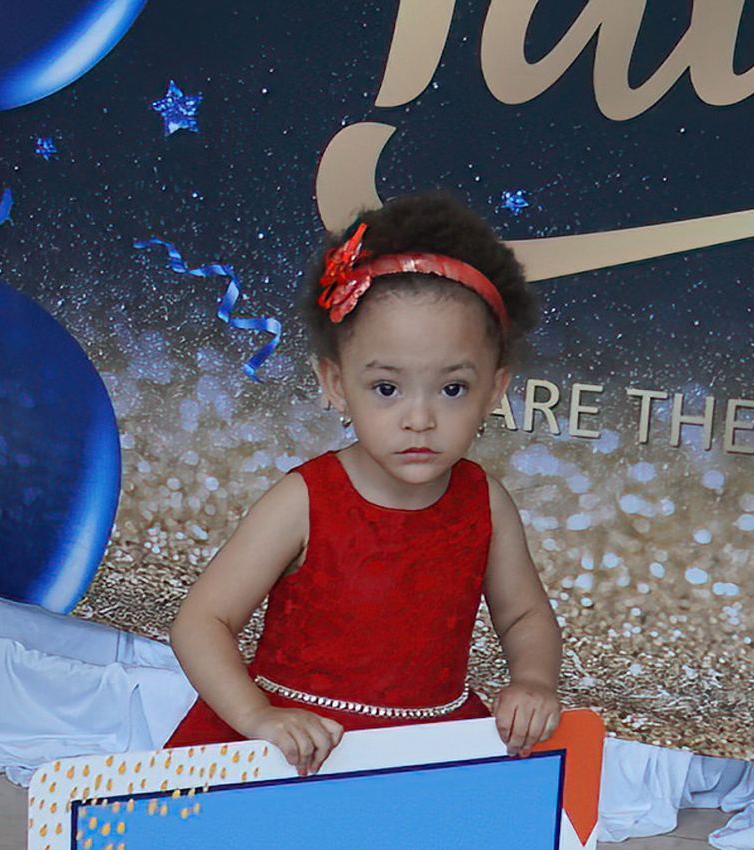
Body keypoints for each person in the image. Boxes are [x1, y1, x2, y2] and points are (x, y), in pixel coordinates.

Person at [165, 190, 563, 774]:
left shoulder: (485, 503)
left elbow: (524, 616)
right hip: (298, 748)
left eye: (452, 389)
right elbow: (200, 623)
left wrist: (532, 679)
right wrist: (256, 717)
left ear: (495, 391)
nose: (419, 418)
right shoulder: (304, 500)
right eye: (386, 388)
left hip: (425, 748)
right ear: (334, 383)